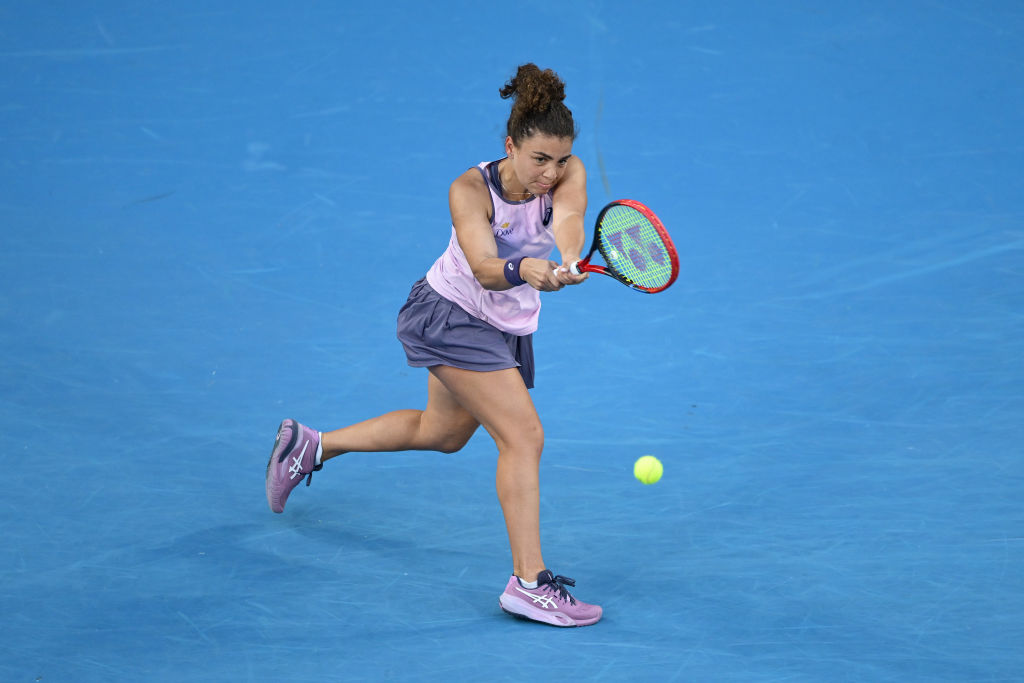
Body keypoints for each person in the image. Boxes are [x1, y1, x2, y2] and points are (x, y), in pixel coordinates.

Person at [265, 63, 602, 628]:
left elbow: (569, 218)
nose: (551, 172)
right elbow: (486, 267)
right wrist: (526, 268)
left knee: (441, 433)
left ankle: (311, 445)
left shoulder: (568, 175)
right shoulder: (469, 190)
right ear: (510, 146)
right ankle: (528, 583)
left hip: (503, 325)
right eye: (539, 159)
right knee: (523, 436)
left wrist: (567, 259)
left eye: (561, 160)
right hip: (451, 315)